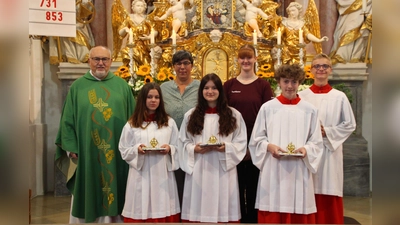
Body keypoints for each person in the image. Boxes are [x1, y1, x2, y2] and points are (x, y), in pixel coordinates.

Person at [55, 46, 136, 223]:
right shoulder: (77, 87)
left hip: (116, 152)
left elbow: (134, 119)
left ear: (110, 61)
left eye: (105, 59)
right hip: (87, 151)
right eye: (96, 59)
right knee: (89, 184)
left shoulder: (122, 86)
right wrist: (71, 147)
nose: (100, 63)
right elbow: (67, 119)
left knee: (116, 184)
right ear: (89, 61)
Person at [248, 64, 323, 224]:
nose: (290, 86)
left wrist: (306, 149)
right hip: (273, 167)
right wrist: (269, 146)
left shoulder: (309, 110)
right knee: (273, 208)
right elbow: (256, 139)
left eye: (294, 82)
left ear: (300, 82)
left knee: (299, 208)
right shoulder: (268, 108)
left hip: (299, 168)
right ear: (279, 82)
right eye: (286, 81)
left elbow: (316, 141)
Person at [179, 73, 247, 223]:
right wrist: (193, 149)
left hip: (223, 169)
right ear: (201, 91)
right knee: (198, 203)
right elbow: (182, 142)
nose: (210, 91)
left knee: (223, 204)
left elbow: (241, 143)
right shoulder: (191, 115)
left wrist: (227, 148)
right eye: (206, 88)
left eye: (214, 88)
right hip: (199, 169)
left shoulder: (233, 115)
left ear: (220, 91)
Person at [298, 54, 356, 224]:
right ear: (311, 70)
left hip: (330, 151)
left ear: (330, 70)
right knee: (309, 189)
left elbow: (350, 124)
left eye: (325, 66)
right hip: (308, 151)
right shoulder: (302, 96)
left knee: (329, 188)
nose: (321, 69)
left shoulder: (339, 97)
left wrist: (327, 132)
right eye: (317, 66)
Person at [223, 44, 273, 223]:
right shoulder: (229, 85)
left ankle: (252, 220)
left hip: (256, 143)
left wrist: (254, 147)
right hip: (233, 143)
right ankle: (236, 218)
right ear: (237, 60)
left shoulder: (263, 85)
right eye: (242, 57)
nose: (246, 61)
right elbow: (223, 115)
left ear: (255, 59)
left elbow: (269, 116)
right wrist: (236, 147)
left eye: (249, 57)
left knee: (253, 186)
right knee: (234, 186)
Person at [118, 82, 181, 223]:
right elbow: (123, 148)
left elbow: (178, 145)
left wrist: (170, 148)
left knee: (163, 203)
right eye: (149, 97)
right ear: (143, 99)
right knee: (141, 203)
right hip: (141, 173)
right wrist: (137, 149)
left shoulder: (169, 122)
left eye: (157, 97)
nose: (153, 100)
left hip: (162, 173)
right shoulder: (132, 124)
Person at [160, 50, 200, 208]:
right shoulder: (164, 88)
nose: (182, 67)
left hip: (193, 142)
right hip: (170, 144)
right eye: (178, 63)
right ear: (173, 67)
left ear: (192, 66)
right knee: (173, 182)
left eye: (186, 63)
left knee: (193, 182)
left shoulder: (200, 86)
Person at [115, 0, 154, 68]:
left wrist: (149, 37)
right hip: (132, 45)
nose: (140, 8)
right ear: (133, 7)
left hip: (144, 47)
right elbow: (120, 33)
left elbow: (154, 31)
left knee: (145, 64)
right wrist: (124, 29)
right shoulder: (129, 19)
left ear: (145, 7)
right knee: (128, 55)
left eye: (142, 6)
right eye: (138, 6)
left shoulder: (147, 19)